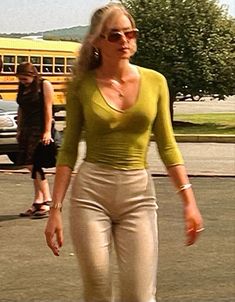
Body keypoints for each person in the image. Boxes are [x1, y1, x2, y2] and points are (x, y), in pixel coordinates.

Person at [45, 3, 204, 301]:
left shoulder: (156, 81)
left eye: (131, 33)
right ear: (97, 41)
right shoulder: (82, 85)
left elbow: (168, 145)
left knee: (139, 294)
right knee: (97, 288)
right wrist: (54, 210)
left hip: (139, 195)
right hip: (91, 194)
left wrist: (189, 202)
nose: (125, 41)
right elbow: (67, 150)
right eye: (115, 35)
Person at [16, 62, 54, 218]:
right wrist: (19, 129)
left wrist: (46, 131)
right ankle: (38, 200)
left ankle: (45, 200)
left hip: (39, 128)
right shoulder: (24, 87)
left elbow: (48, 108)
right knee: (28, 163)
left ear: (32, 75)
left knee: (34, 163)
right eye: (20, 79)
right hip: (26, 128)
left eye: (24, 78)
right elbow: (21, 108)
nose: (22, 81)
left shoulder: (44, 85)